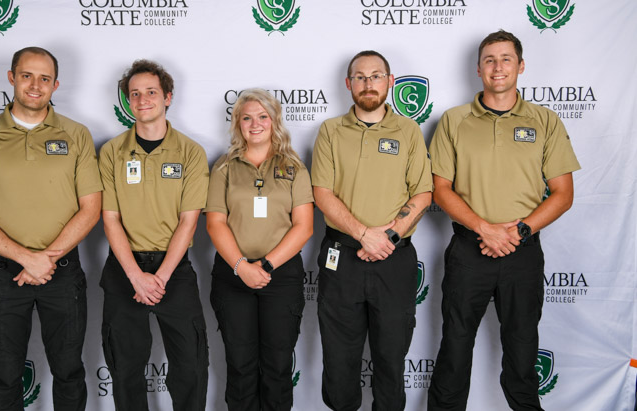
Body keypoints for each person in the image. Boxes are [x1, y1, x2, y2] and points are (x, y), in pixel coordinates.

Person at [427, 30, 580, 411]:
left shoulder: (545, 121)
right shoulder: (454, 120)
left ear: (521, 66)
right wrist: (485, 229)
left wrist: (519, 231)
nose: (498, 67)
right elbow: (440, 189)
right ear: (478, 69)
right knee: (455, 350)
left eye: (506, 59)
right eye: (490, 60)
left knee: (523, 350)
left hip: (522, 252)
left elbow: (563, 194)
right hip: (469, 249)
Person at [0, 47, 102, 410]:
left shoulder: (76, 134)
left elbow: (91, 208)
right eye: (27, 76)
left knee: (69, 373)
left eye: (44, 78)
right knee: (4, 377)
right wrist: (25, 258)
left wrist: (45, 260)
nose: (35, 85)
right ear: (11, 77)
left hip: (63, 273)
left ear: (55, 85)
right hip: (4, 275)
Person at [311, 50, 432, 410]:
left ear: (390, 82)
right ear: (348, 84)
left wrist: (388, 237)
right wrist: (364, 234)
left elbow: (423, 193)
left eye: (376, 75)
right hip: (341, 257)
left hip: (394, 259)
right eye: (360, 77)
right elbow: (322, 192)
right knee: (339, 356)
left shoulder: (408, 130)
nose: (368, 83)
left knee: (392, 356)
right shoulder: (331, 130)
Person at [97, 59, 209, 410]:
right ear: (127, 101)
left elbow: (188, 222)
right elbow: (110, 217)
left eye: (151, 92)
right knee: (126, 368)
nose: (142, 99)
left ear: (167, 97)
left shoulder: (191, 152)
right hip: (124, 270)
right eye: (134, 94)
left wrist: (158, 279)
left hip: (172, 271)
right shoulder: (112, 152)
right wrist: (136, 277)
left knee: (190, 367)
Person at [205, 88, 313, 411]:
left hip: (279, 278)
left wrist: (264, 266)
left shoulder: (295, 168)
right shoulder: (223, 168)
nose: (255, 124)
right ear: (237, 123)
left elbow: (304, 227)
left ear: (275, 121)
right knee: (240, 366)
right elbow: (215, 224)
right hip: (232, 276)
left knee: (278, 367)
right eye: (247, 117)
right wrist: (242, 266)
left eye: (263, 117)